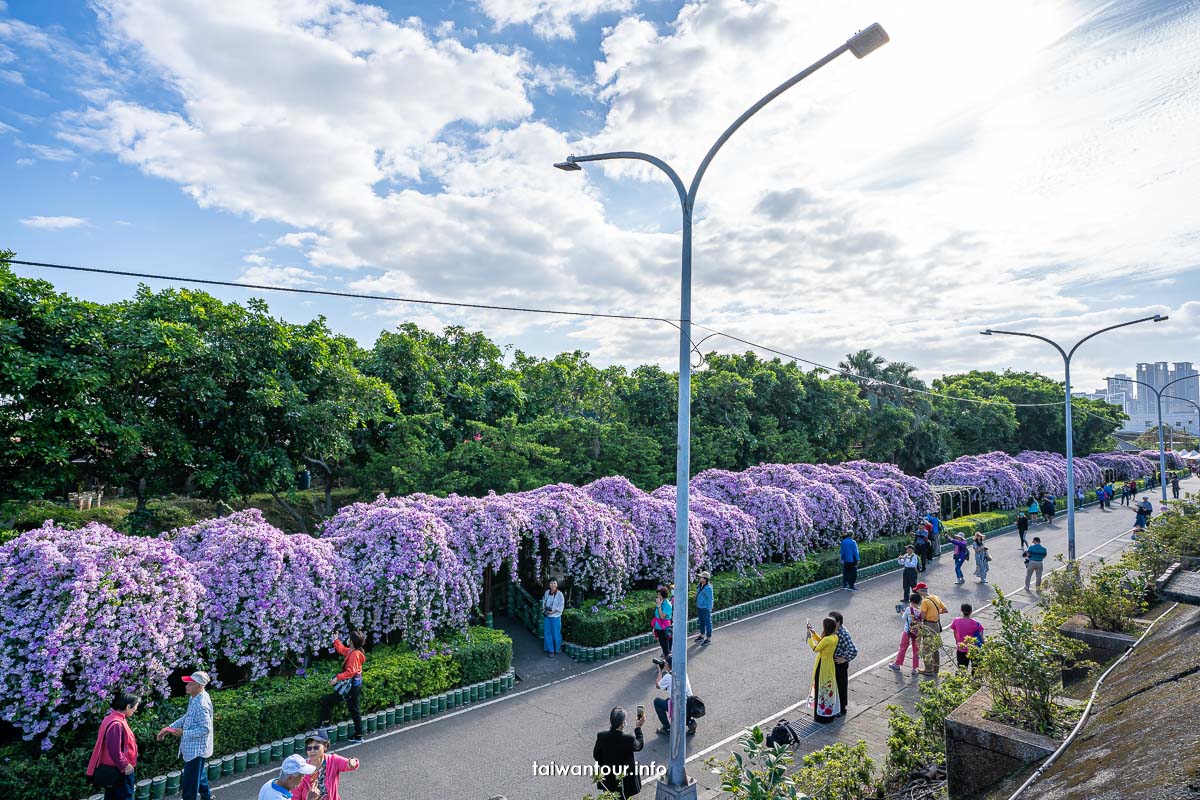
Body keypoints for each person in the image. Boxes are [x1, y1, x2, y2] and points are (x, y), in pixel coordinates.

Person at [156, 671, 214, 800]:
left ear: (200, 686)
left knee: (190, 781)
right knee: (198, 774)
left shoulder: (201, 704)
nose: (186, 686)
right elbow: (187, 716)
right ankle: (207, 796)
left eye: (190, 684)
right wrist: (169, 729)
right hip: (194, 748)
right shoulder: (195, 697)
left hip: (196, 749)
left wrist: (183, 733)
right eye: (187, 683)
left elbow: (205, 729)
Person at [87, 692, 141, 800]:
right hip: (119, 770)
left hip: (113, 769)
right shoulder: (116, 724)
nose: (135, 709)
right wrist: (125, 765)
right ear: (128, 706)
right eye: (134, 707)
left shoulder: (111, 718)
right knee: (125, 796)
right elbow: (114, 750)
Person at [319, 630, 366, 744]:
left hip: (351, 687)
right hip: (355, 685)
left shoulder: (354, 654)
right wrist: (336, 640)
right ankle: (358, 735)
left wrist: (337, 678)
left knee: (328, 701)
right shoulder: (354, 651)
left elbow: (350, 672)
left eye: (350, 639)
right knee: (354, 709)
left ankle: (326, 723)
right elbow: (342, 649)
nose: (348, 640)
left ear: (352, 642)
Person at [592, 706, 645, 799]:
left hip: (608, 777)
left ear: (610, 721)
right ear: (623, 724)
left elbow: (596, 755)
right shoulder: (628, 739)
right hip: (624, 780)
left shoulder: (601, 736)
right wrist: (638, 728)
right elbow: (639, 745)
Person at [293, 728, 360, 800]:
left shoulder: (333, 760)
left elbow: (350, 764)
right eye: (309, 748)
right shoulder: (302, 770)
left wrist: (353, 762)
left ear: (325, 746)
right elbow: (295, 797)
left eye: (316, 747)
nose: (312, 751)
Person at [805, 617, 841, 722]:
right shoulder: (834, 637)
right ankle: (829, 713)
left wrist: (810, 638)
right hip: (830, 665)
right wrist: (814, 633)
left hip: (822, 666)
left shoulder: (827, 639)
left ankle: (821, 716)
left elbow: (816, 649)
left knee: (820, 687)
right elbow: (823, 643)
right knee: (829, 688)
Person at [651, 655, 696, 736]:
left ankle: (667, 728)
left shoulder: (668, 677)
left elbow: (658, 685)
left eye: (665, 663)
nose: (664, 664)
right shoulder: (683, 672)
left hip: (679, 706)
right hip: (690, 704)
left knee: (657, 702)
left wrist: (660, 671)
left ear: (668, 664)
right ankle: (690, 722)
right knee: (672, 700)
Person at [828, 611, 857, 716]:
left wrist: (844, 659)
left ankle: (842, 709)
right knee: (832, 686)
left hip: (839, 664)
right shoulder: (831, 630)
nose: (830, 622)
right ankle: (834, 707)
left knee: (841, 686)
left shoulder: (843, 633)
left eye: (832, 621)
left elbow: (853, 650)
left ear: (838, 622)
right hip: (831, 662)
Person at [916, 583, 948, 676]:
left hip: (928, 625)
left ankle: (928, 670)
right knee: (935, 647)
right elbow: (945, 610)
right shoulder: (935, 597)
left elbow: (922, 616)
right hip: (936, 625)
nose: (917, 592)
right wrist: (934, 613)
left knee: (927, 648)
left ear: (920, 590)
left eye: (917, 590)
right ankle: (936, 669)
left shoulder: (925, 601)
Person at [889, 593, 923, 675]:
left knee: (903, 647)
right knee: (916, 650)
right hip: (917, 632)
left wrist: (901, 612)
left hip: (907, 631)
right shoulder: (921, 610)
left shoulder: (909, 609)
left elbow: (904, 618)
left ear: (911, 601)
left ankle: (897, 664)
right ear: (919, 602)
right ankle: (915, 668)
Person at [949, 604, 984, 671]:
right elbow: (981, 638)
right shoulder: (976, 624)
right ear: (971, 612)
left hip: (961, 648)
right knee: (975, 668)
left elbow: (955, 632)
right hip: (973, 649)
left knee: (962, 668)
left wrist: (957, 641)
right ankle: (975, 680)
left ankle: (961, 680)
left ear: (961, 610)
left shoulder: (956, 621)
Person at [543, 578, 565, 656]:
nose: (553, 585)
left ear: (557, 584)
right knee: (547, 633)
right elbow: (544, 602)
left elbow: (561, 606)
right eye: (551, 583)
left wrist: (553, 611)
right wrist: (545, 608)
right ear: (549, 584)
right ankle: (550, 650)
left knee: (556, 633)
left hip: (556, 616)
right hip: (547, 616)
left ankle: (557, 648)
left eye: (554, 583)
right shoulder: (546, 592)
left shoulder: (560, 594)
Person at [895, 546, 921, 613]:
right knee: (905, 585)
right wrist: (899, 559)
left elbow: (913, 565)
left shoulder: (914, 556)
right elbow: (901, 563)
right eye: (907, 549)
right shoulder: (906, 555)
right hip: (906, 570)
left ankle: (918, 598)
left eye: (909, 549)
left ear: (912, 550)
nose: (907, 550)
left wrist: (905, 559)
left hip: (912, 571)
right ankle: (906, 598)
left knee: (913, 585)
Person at [652, 586, 672, 659]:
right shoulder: (659, 603)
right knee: (662, 644)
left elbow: (662, 616)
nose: (658, 596)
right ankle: (666, 656)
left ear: (663, 595)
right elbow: (656, 616)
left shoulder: (667, 605)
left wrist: (659, 606)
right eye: (657, 595)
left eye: (659, 595)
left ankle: (667, 663)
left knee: (665, 645)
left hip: (664, 627)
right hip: (658, 627)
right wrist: (654, 627)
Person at [695, 571, 714, 645]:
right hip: (699, 606)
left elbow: (710, 599)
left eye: (701, 577)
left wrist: (709, 608)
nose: (700, 578)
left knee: (708, 623)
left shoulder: (708, 588)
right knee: (701, 622)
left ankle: (708, 638)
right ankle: (702, 635)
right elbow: (698, 593)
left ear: (705, 579)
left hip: (705, 608)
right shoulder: (700, 585)